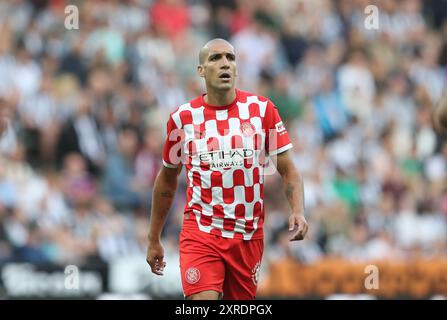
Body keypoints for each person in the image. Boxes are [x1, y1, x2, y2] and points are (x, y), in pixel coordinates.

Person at [146, 38, 308, 300]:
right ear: (201, 70)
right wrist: (154, 238)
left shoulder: (261, 110)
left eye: (230, 58)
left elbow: (288, 169)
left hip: (247, 236)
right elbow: (166, 180)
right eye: (215, 58)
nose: (224, 64)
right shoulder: (183, 118)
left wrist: (298, 211)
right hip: (202, 232)